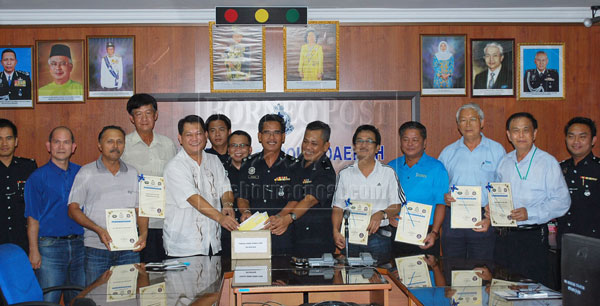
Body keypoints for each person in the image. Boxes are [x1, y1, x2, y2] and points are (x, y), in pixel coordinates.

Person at [495, 112, 570, 286]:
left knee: (532, 290)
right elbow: (498, 195)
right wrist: (492, 209)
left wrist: (530, 213)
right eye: (515, 131)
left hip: (532, 237)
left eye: (525, 130)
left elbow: (562, 201)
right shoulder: (504, 162)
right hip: (504, 238)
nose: (520, 135)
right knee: (503, 288)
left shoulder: (547, 162)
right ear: (508, 135)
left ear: (534, 133)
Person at [67, 126, 148, 285]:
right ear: (100, 145)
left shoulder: (133, 173)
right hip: (97, 250)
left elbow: (140, 209)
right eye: (110, 141)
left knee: (127, 299)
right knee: (96, 298)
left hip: (129, 250)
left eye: (119, 142)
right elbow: (73, 209)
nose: (115, 146)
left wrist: (144, 234)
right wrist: (98, 230)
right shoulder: (86, 172)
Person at [163, 115, 237, 257]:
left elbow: (225, 188)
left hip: (213, 243)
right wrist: (221, 218)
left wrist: (227, 204)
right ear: (180, 138)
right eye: (189, 135)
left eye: (198, 133)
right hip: (184, 247)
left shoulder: (214, 160)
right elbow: (193, 198)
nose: (195, 138)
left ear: (205, 135)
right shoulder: (175, 166)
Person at [438, 103, 506, 260]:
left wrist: (491, 218)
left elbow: (503, 188)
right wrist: (445, 196)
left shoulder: (497, 150)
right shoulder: (448, 152)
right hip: (454, 218)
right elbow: (439, 188)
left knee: (482, 269)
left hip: (485, 218)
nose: (468, 124)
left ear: (482, 122)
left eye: (472, 119)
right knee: (453, 269)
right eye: (463, 120)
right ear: (458, 125)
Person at [24, 126, 84, 304]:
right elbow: (32, 219)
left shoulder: (82, 173)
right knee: (49, 298)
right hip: (50, 247)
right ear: (48, 146)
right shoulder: (37, 177)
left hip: (80, 245)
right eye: (56, 142)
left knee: (79, 298)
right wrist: (33, 250)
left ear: (73, 147)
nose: (61, 146)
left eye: (66, 142)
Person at [332, 125, 405, 263]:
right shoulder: (344, 174)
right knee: (351, 280)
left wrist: (381, 214)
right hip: (351, 237)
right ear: (354, 146)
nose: (364, 145)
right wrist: (335, 231)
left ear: (378, 147)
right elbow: (338, 208)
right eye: (359, 141)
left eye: (369, 141)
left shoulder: (388, 173)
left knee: (379, 280)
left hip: (379, 237)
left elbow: (396, 205)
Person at [121, 93, 177, 263]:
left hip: (164, 222)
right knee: (136, 276)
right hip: (134, 224)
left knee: (161, 276)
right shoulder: (122, 144)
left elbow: (175, 180)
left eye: (148, 113)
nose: (144, 118)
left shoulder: (168, 144)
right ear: (131, 118)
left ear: (156, 115)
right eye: (138, 114)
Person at [237, 114, 299, 255]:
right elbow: (242, 196)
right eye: (267, 133)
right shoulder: (247, 164)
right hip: (254, 235)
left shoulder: (294, 165)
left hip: (282, 232)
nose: (272, 138)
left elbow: (295, 199)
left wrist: (280, 217)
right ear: (259, 136)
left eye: (276, 133)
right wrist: (245, 212)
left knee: (283, 275)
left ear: (283, 137)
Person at [388, 121, 447, 256]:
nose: (410, 144)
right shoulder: (391, 166)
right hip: (397, 233)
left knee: (425, 275)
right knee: (398, 275)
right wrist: (389, 216)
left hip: (425, 235)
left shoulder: (436, 168)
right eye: (406, 139)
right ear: (401, 142)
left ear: (424, 143)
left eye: (415, 140)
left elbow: (441, 204)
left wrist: (435, 233)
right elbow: (386, 199)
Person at [287, 121, 336, 257]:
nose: (308, 147)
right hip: (295, 241)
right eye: (305, 141)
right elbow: (292, 199)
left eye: (314, 144)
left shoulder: (326, 171)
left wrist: (289, 218)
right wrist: (279, 217)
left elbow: (309, 200)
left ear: (326, 146)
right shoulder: (296, 165)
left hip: (317, 244)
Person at [558, 117, 600, 243]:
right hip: (564, 239)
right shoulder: (559, 168)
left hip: (594, 241)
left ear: (593, 140)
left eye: (582, 137)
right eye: (571, 136)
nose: (576, 141)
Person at [0, 118, 37, 253]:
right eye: (0, 138)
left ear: (16, 141)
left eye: (8, 138)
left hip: (23, 240)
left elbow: (35, 206)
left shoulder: (28, 167)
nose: (4, 143)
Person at [221, 130, 253, 256]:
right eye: (234, 145)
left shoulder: (259, 169)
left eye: (242, 145)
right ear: (228, 150)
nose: (238, 149)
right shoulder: (220, 170)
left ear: (250, 149)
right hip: (226, 231)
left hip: (254, 232)